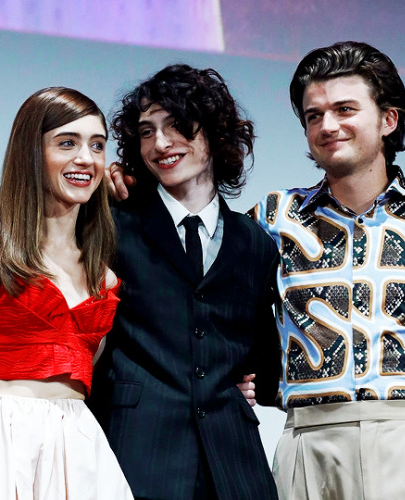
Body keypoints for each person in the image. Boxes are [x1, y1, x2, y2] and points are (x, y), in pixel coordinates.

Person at [251, 41, 405, 499]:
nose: (328, 125)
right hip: (307, 443)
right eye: (313, 115)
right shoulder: (273, 216)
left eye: (344, 109)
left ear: (388, 120)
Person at [88, 64, 281, 500]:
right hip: (138, 454)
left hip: (236, 466)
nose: (160, 143)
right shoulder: (113, 226)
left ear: (214, 133)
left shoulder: (255, 243)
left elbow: (264, 359)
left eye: (177, 126)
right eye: (146, 131)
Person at [0, 87, 134, 499]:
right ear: (31, 154)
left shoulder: (104, 281)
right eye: (67, 143)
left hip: (80, 453)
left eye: (97, 145)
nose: (86, 158)